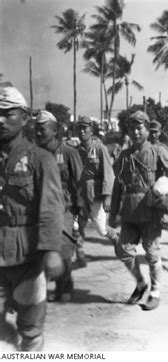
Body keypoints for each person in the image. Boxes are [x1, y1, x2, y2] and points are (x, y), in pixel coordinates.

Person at [0, 87, 64, 351]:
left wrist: (51, 250)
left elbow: (51, 207)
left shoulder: (41, 159)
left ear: (25, 118)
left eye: (8, 114)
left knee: (31, 328)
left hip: (27, 258)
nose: (0, 120)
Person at [110, 111, 168, 310]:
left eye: (139, 128)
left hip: (151, 210)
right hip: (130, 212)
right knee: (123, 250)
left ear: (146, 130)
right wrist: (112, 213)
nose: (135, 132)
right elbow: (116, 184)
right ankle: (141, 283)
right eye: (132, 128)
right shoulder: (125, 156)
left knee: (151, 253)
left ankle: (155, 291)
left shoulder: (157, 152)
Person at [35, 110, 84, 302]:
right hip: (42, 207)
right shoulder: (35, 154)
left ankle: (65, 285)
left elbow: (78, 181)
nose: (39, 133)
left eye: (43, 129)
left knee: (63, 248)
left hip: (66, 208)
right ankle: (50, 284)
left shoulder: (69, 153)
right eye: (37, 129)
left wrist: (80, 209)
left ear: (54, 130)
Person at [76, 116, 117, 266]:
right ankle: (80, 256)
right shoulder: (76, 150)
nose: (82, 131)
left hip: (96, 194)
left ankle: (117, 240)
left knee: (101, 229)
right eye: (79, 128)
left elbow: (109, 173)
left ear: (91, 130)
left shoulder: (100, 148)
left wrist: (108, 196)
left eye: (85, 128)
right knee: (77, 225)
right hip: (81, 194)